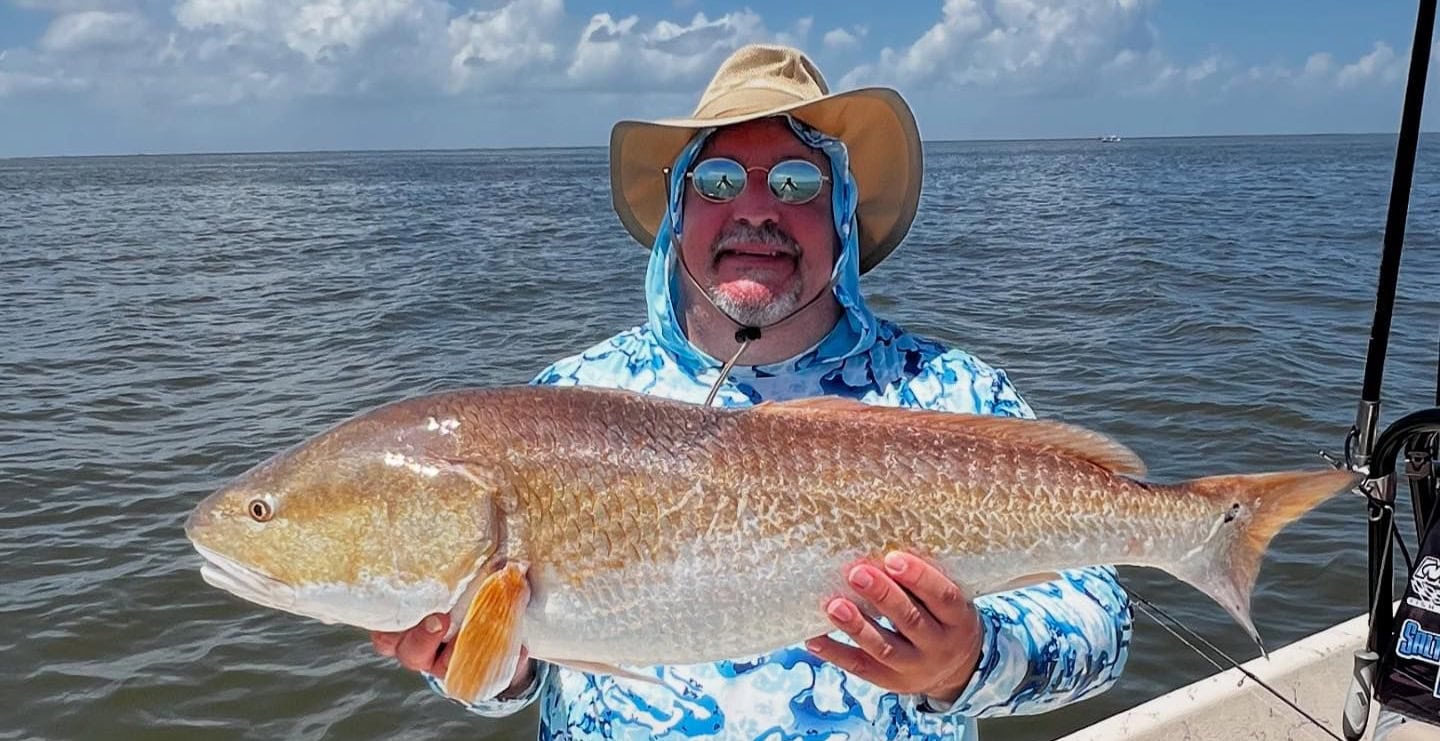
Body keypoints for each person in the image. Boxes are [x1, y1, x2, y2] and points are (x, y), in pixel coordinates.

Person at [371, 44, 1132, 739]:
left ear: (841, 216)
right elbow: (510, 678)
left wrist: (969, 661)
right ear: (679, 210)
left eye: (799, 181)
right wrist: (480, 665)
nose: (757, 208)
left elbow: (1104, 623)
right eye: (720, 178)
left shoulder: (951, 392)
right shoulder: (567, 397)